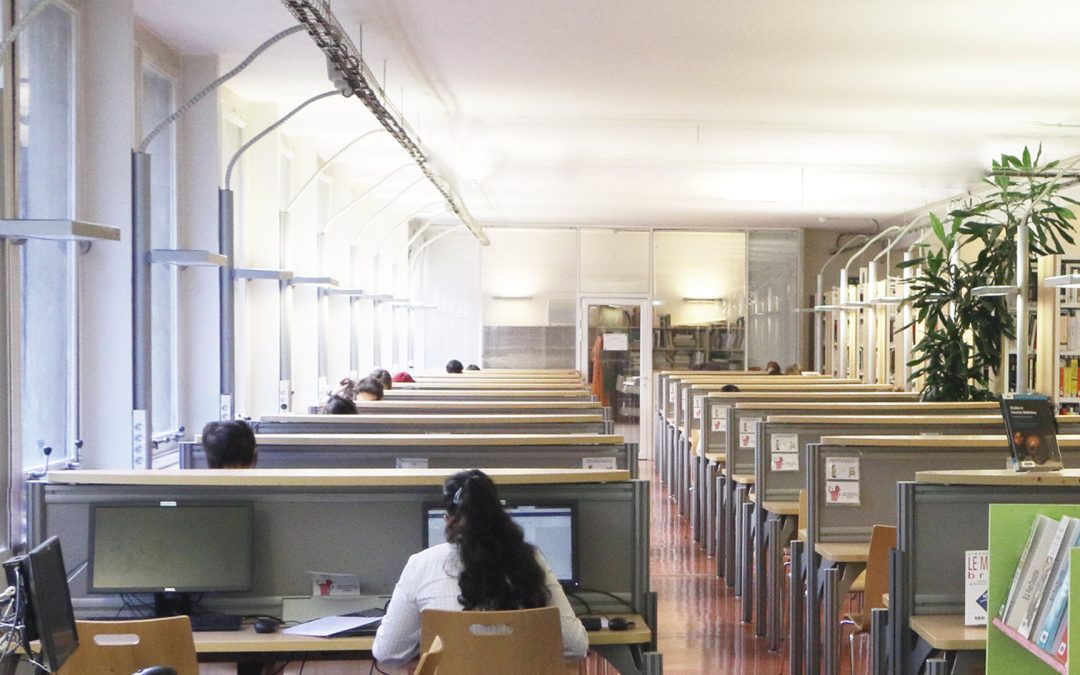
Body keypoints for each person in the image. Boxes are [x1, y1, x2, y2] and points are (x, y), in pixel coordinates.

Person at [372, 469, 588, 666]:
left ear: (448, 520)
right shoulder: (530, 561)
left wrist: (431, 643)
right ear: (500, 516)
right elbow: (576, 646)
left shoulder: (421, 565)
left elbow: (388, 653)